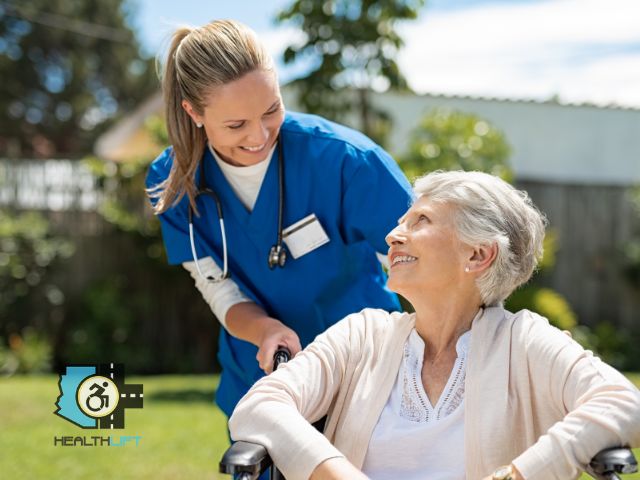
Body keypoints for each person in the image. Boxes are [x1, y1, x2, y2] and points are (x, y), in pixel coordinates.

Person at [229, 170, 640, 480]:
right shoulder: (362, 335)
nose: (392, 235)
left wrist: (519, 474)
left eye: (420, 221)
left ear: (478, 255)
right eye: (401, 221)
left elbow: (624, 403)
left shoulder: (525, 342)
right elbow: (259, 406)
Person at [145, 19, 413, 418]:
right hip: (262, 379)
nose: (259, 135)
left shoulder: (345, 162)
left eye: (272, 110)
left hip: (365, 374)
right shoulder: (173, 183)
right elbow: (218, 288)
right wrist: (265, 331)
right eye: (236, 125)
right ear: (193, 112)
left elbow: (424, 263)